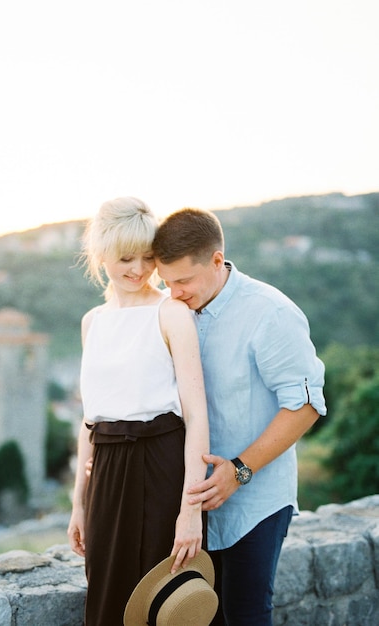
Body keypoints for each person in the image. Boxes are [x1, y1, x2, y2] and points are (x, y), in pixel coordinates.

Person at [152, 207, 327, 626]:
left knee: (244, 615)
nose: (173, 293)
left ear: (216, 261)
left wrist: (239, 471)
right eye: (166, 282)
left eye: (183, 281)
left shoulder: (271, 313)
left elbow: (305, 406)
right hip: (191, 503)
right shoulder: (173, 311)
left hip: (255, 500)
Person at [67, 197, 209, 626]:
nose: (139, 269)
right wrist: (78, 504)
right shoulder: (92, 322)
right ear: (101, 255)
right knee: (109, 600)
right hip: (106, 476)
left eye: (148, 257)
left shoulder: (172, 313)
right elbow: (90, 421)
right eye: (126, 258)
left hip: (161, 467)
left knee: (163, 605)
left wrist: (190, 510)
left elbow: (197, 417)